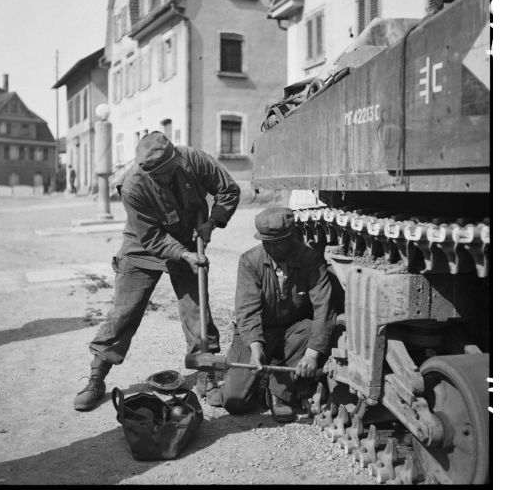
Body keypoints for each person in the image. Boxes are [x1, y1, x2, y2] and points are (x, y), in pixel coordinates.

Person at [74, 132, 241, 411]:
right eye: (158, 176)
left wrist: (212, 222)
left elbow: (229, 190)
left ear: (175, 158)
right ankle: (96, 376)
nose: (165, 179)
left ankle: (206, 374)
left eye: (168, 171)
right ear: (146, 170)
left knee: (197, 311)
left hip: (188, 241)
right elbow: (151, 237)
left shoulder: (193, 159)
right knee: (124, 314)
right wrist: (183, 254)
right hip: (142, 248)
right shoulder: (132, 186)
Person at [221, 207, 337, 423]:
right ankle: (264, 375)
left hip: (291, 333)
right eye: (267, 242)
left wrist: (312, 355)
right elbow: (248, 311)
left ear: (291, 235)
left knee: (311, 328)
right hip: (257, 333)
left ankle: (279, 393)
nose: (272, 247)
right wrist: (255, 348)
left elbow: (324, 308)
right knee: (235, 402)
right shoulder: (250, 261)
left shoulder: (310, 260)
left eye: (279, 242)